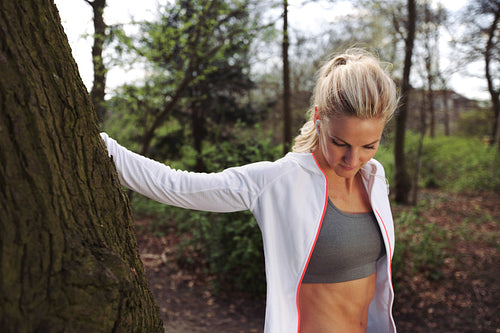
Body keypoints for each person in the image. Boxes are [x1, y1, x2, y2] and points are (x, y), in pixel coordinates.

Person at [100, 48, 398, 333]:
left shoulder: (374, 178)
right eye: (340, 143)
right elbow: (177, 185)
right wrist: (99, 144)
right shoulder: (279, 181)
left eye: (369, 146)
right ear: (318, 119)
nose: (353, 160)